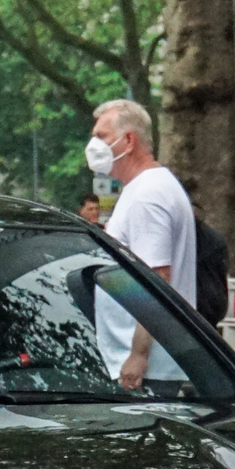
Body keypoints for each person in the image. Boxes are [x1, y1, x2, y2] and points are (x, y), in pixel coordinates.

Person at [85, 98, 195, 390]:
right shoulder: (146, 189)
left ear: (129, 140)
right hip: (149, 367)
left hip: (148, 372)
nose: (93, 145)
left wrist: (138, 354)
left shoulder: (147, 195)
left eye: (101, 136)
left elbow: (156, 280)